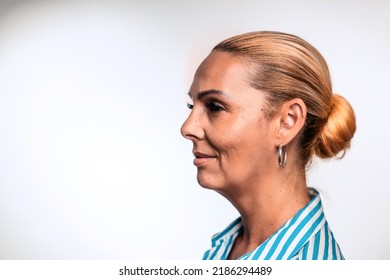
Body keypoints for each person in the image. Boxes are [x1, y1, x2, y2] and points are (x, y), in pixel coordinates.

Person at [180, 31, 356, 260]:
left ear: (287, 122)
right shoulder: (229, 244)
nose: (187, 128)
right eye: (191, 106)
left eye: (215, 106)